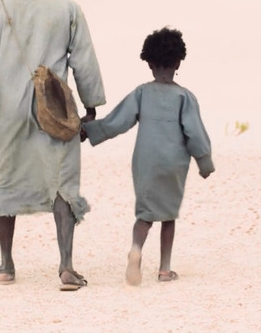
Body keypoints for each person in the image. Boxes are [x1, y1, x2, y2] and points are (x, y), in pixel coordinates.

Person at [0, 0, 106, 291]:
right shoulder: (68, 9)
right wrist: (90, 109)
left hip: (9, 109)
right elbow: (84, 61)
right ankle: (67, 268)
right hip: (56, 110)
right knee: (63, 182)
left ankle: (6, 265)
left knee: (9, 176)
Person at [80, 27, 214, 285]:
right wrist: (204, 162)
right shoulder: (185, 97)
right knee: (169, 214)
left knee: (145, 213)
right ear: (178, 62)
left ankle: (136, 249)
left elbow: (117, 122)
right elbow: (195, 133)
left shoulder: (141, 93)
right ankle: (164, 270)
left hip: (145, 162)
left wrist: (88, 130)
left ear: (149, 63)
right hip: (174, 163)